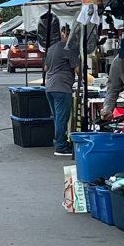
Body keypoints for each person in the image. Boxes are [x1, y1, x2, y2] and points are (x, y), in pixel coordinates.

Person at [43, 25, 80, 156]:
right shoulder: (70, 48)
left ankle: (60, 141)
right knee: (61, 118)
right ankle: (61, 146)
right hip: (62, 87)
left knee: (57, 117)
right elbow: (77, 69)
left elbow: (46, 68)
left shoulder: (52, 48)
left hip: (50, 86)